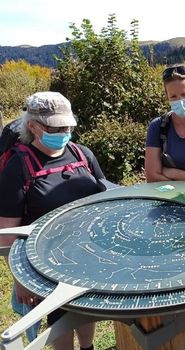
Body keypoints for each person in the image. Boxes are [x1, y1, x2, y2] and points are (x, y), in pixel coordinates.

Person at [0, 91, 105, 350]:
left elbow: (105, 196)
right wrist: (20, 279)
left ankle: (88, 347)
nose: (64, 131)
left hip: (87, 253)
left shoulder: (82, 154)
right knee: (59, 315)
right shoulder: (18, 166)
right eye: (55, 126)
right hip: (45, 261)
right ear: (33, 126)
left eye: (67, 125)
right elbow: (7, 231)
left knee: (85, 308)